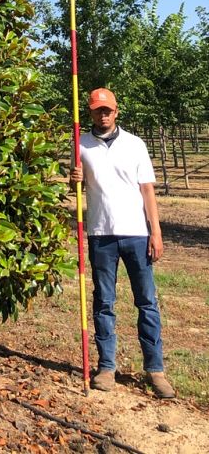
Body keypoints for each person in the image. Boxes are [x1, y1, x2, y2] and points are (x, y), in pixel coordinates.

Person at [70, 87, 175, 399]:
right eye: (97, 110)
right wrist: (73, 178)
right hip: (101, 234)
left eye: (108, 110)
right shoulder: (80, 144)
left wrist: (155, 232)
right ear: (90, 113)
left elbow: (147, 191)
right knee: (104, 302)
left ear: (116, 112)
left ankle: (155, 370)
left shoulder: (135, 145)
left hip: (136, 233)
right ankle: (106, 367)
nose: (103, 115)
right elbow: (78, 185)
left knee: (146, 302)